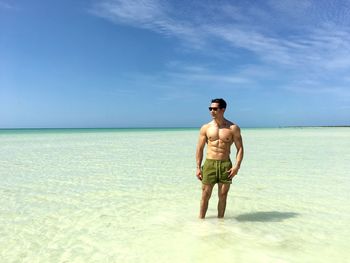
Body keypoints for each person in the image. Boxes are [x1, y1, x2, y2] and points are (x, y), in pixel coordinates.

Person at [196, 98, 244, 219]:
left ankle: (220, 223)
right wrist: (198, 167)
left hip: (225, 165)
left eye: (215, 109)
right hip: (209, 164)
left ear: (223, 109)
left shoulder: (233, 128)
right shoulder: (206, 128)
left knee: (223, 195)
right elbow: (200, 149)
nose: (212, 111)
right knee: (205, 195)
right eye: (210, 108)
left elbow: (240, 149)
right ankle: (201, 222)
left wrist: (236, 167)